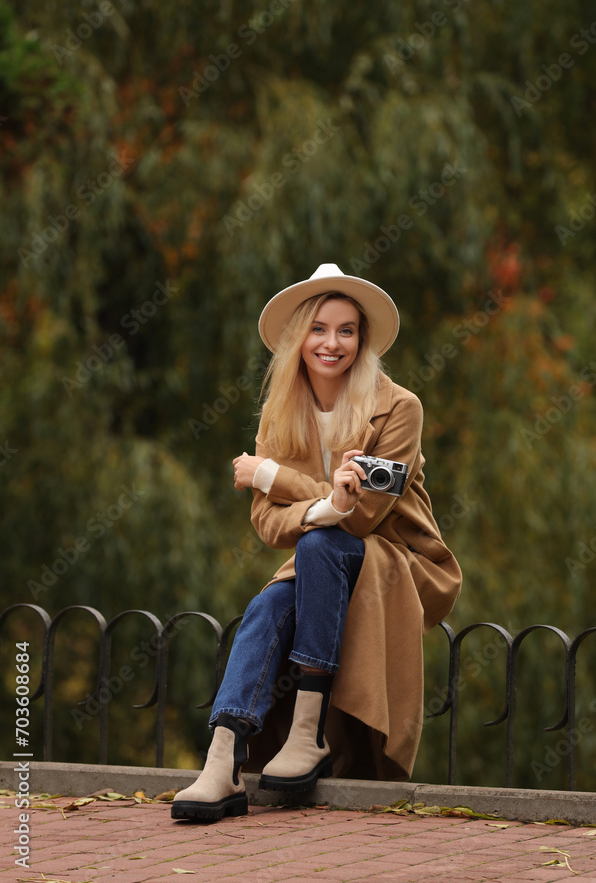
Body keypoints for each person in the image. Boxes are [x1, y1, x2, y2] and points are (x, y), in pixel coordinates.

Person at [172, 263, 462, 821]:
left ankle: (308, 734)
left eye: (347, 330)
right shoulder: (280, 415)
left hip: (396, 560)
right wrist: (328, 503)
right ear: (297, 338)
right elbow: (268, 526)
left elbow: (364, 520)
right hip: (320, 559)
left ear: (362, 338)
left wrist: (271, 477)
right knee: (270, 602)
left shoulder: (399, 408)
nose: (333, 343)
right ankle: (221, 761)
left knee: (318, 546)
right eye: (319, 329)